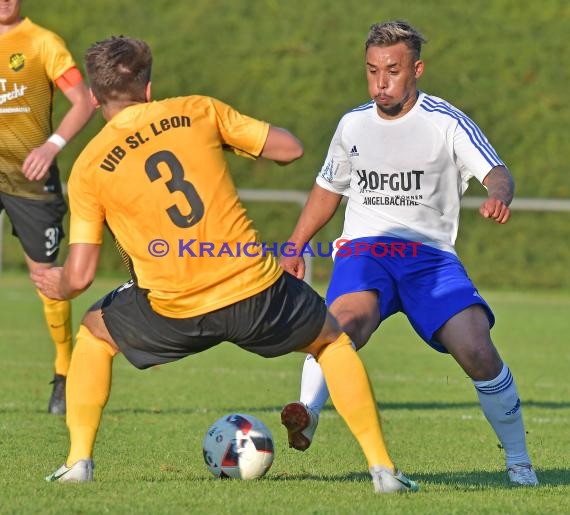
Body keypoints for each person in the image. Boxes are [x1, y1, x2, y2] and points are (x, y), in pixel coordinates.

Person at [31, 35, 418, 493]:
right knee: (331, 342)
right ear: (149, 88)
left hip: (172, 310)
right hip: (257, 293)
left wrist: (57, 285)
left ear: (94, 97)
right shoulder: (198, 111)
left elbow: (79, 277)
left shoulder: (88, 168)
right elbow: (289, 149)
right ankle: (383, 472)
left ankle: (78, 462)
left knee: (95, 332)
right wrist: (224, 143)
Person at [279, 20, 538, 487]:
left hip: (429, 259)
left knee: (478, 350)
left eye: (392, 71)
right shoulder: (352, 124)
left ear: (416, 69)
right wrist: (294, 245)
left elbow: (496, 170)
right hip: (366, 253)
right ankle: (307, 413)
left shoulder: (446, 121)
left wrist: (499, 194)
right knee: (342, 329)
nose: (381, 82)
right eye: (372, 71)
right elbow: (326, 188)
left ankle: (519, 461)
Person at [0, 0, 95, 414]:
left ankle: (64, 372)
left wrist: (52, 145)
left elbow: (84, 100)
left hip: (30, 178)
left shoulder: (42, 43)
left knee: (45, 275)